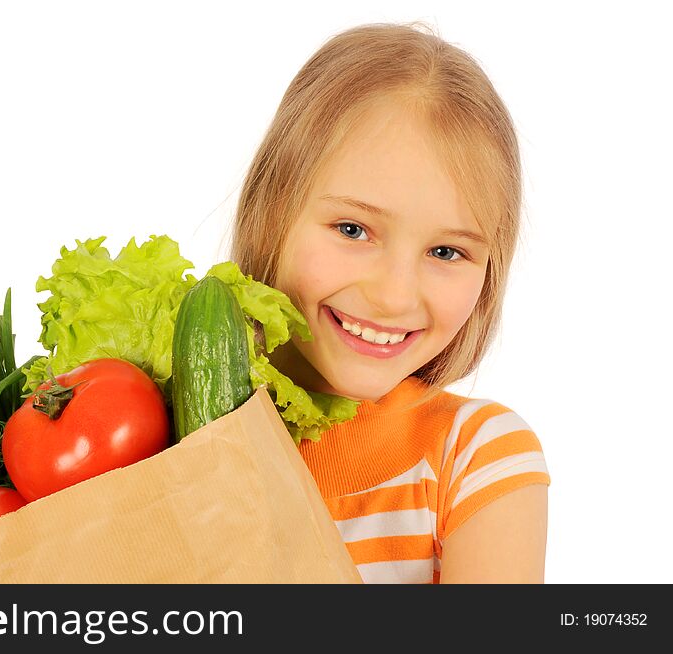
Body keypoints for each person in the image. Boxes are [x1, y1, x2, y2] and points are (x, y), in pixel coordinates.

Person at [229, 21, 550, 584]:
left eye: (447, 251)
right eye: (353, 230)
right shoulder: (170, 437)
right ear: (273, 210)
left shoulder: (475, 458)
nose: (394, 296)